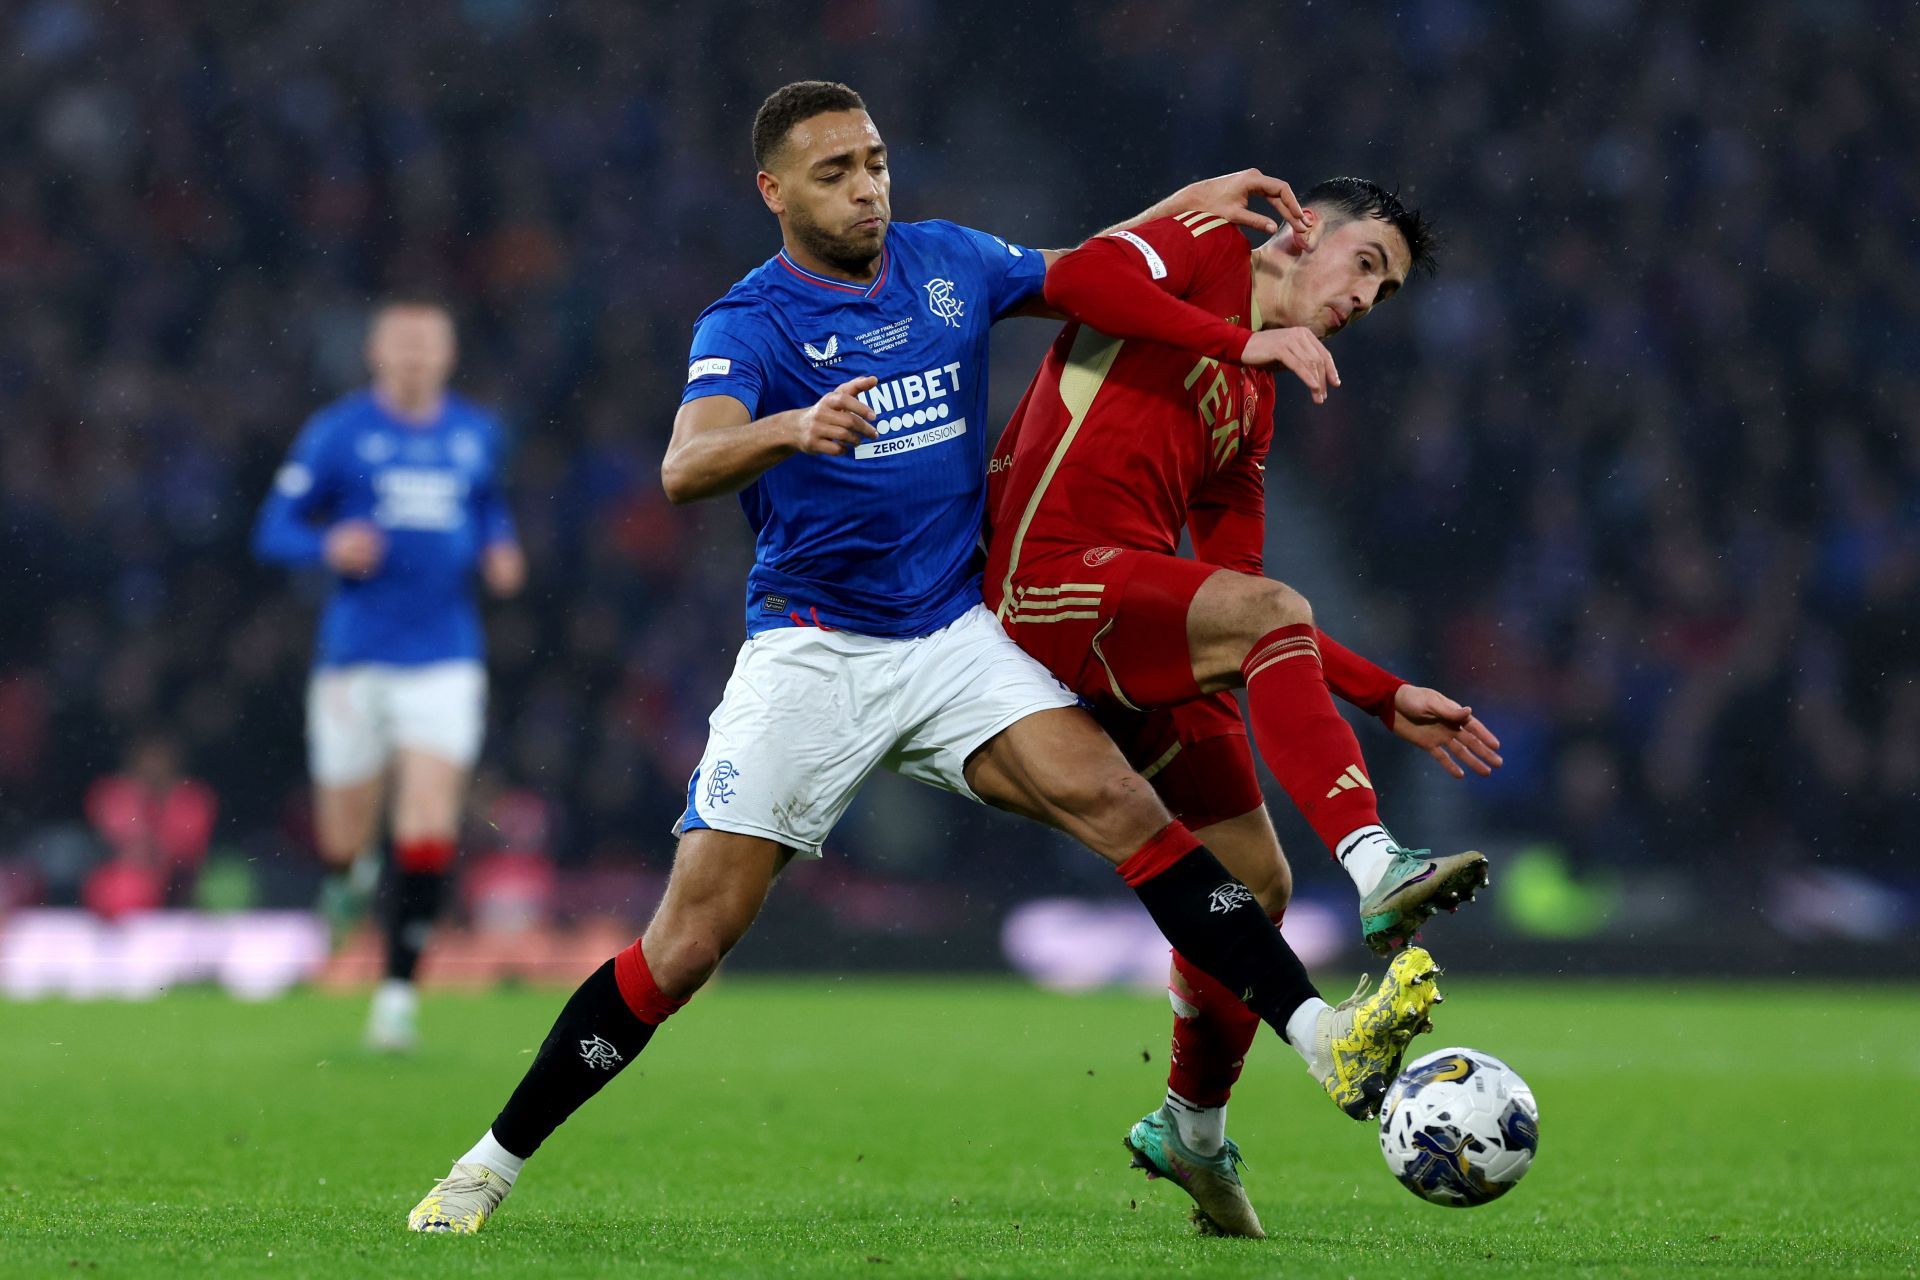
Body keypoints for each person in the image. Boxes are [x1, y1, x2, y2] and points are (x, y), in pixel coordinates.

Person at [406, 82, 1443, 1236]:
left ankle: (1321, 1037)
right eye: (837, 171)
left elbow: (1089, 272)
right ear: (775, 191)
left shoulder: (947, 264)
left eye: (876, 162)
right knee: (688, 942)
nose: (867, 188)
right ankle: (486, 1165)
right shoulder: (747, 323)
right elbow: (685, 465)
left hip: (955, 638)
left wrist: (1188, 206)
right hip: (812, 650)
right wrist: (790, 427)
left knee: (1128, 807)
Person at [983, 178, 1499, 1236]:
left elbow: (1258, 613)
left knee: (1256, 880)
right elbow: (1076, 278)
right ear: (1306, 225)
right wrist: (1236, 341)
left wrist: (1383, 690)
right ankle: (1376, 863)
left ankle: (1193, 1130)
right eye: (1363, 262)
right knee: (1263, 632)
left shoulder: (1251, 404)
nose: (1365, 297)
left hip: (1125, 620)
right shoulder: (1209, 241)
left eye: (1385, 291)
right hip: (1042, 583)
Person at [253, 298, 526, 1051]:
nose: (413, 357)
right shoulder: (339, 433)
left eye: (426, 345)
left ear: (447, 354)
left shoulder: (476, 434)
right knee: (345, 836)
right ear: (375, 354)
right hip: (354, 658)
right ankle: (346, 881)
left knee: (428, 820)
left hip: (444, 657)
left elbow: (489, 508)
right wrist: (327, 544)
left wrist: (501, 547)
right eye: (399, 345)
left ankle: (398, 995)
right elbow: (272, 529)